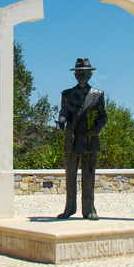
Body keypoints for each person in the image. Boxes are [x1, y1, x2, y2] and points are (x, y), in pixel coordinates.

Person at [56, 58, 108, 220]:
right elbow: (64, 111)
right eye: (79, 73)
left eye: (85, 73)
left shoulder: (98, 95)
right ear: (75, 75)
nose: (82, 76)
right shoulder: (67, 94)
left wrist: (98, 127)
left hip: (89, 141)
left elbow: (103, 116)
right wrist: (61, 121)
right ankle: (70, 208)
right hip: (72, 141)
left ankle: (89, 210)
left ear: (90, 74)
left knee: (89, 177)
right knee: (70, 177)